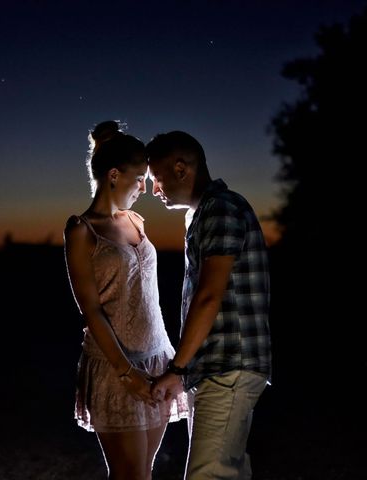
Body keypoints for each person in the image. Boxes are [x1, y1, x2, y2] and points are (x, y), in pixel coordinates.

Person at [64, 121, 188, 480]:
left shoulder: (136, 220)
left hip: (156, 361)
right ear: (115, 175)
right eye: (139, 180)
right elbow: (90, 309)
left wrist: (171, 363)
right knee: (129, 474)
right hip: (116, 368)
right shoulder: (81, 229)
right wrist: (126, 373)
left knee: (144, 472)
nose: (144, 189)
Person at [145, 131, 272, 480]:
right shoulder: (201, 214)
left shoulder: (221, 208)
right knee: (227, 471)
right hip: (216, 367)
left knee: (208, 474)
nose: (154, 190)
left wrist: (178, 368)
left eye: (156, 179)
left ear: (182, 169)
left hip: (229, 365)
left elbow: (208, 295)